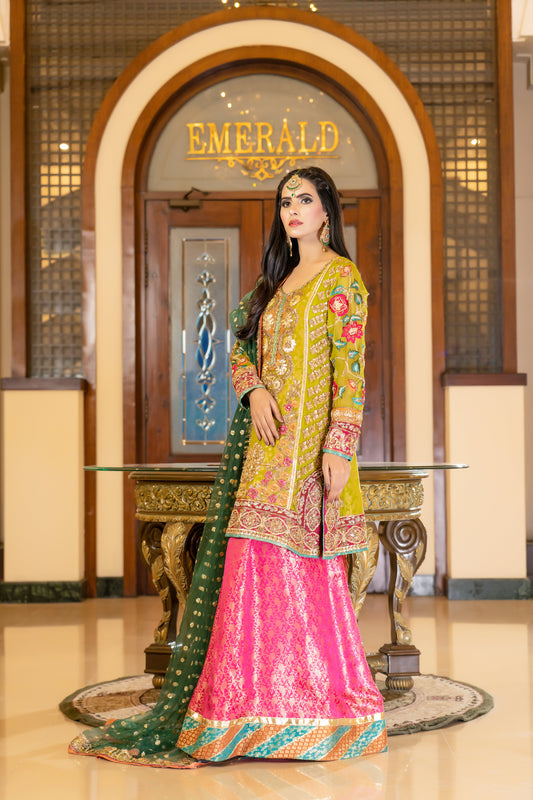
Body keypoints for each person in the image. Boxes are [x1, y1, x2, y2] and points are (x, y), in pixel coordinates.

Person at [69, 167, 387, 768]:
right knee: (248, 574)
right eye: (285, 201)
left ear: (327, 212)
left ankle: (317, 711)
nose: (293, 210)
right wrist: (254, 390)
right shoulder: (274, 282)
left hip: (311, 459)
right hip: (263, 458)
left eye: (305, 200)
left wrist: (340, 446)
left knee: (305, 582)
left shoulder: (343, 281)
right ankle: (238, 714)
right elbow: (237, 346)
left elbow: (353, 372)